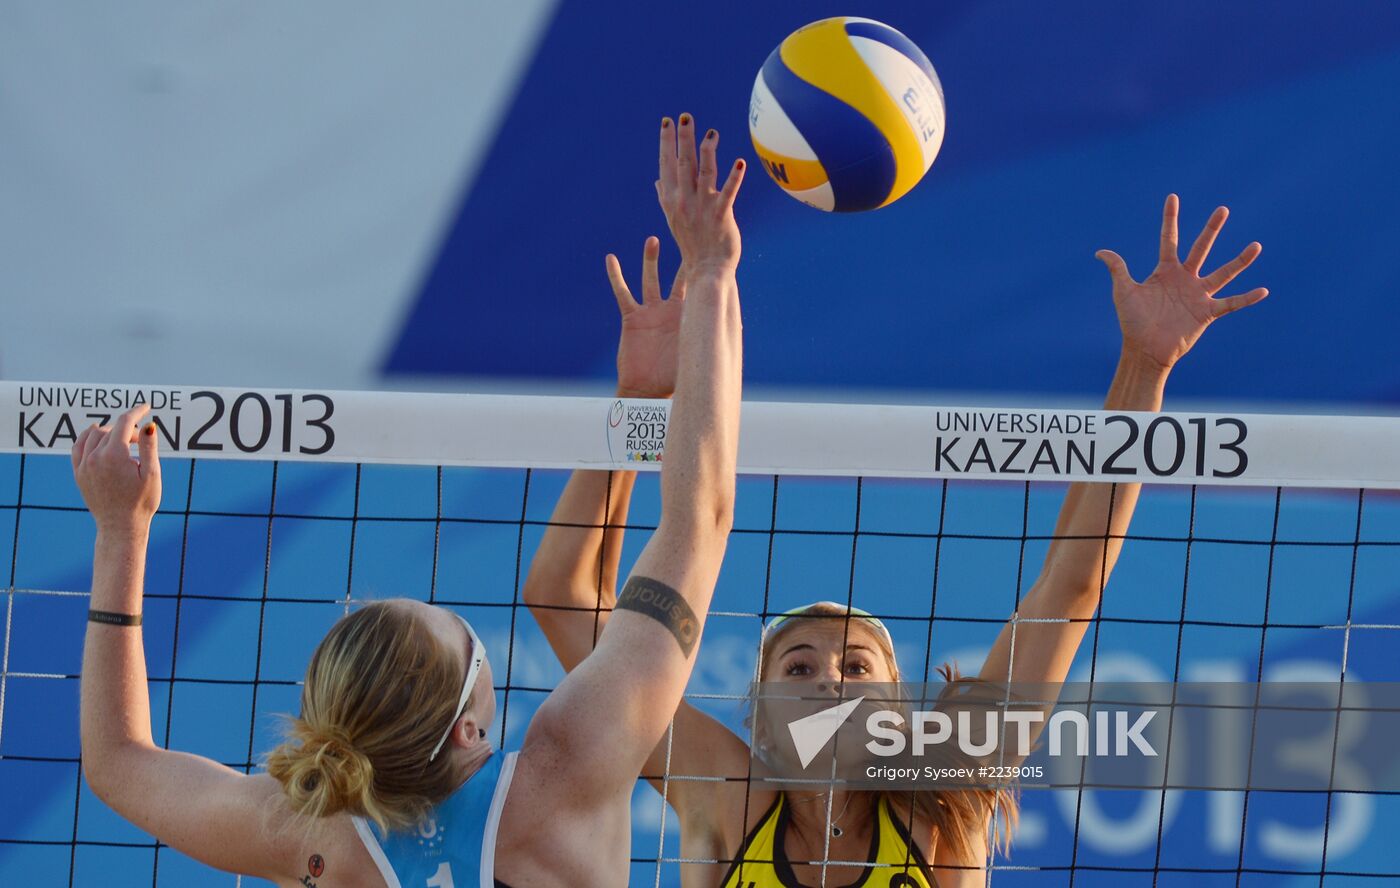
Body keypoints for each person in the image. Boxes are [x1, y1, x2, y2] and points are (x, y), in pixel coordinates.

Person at [72, 114, 745, 888]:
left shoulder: (309, 837)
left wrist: (122, 532)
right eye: (466, 638)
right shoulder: (566, 767)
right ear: (469, 727)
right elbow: (701, 517)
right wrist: (713, 275)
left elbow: (119, 765)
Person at [523, 195, 1267, 887]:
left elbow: (1071, 587)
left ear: (900, 714)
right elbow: (564, 598)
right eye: (801, 665)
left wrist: (1145, 366)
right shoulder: (725, 794)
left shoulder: (944, 805)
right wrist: (643, 407)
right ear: (758, 712)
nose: (830, 681)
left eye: (854, 664)